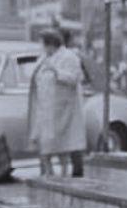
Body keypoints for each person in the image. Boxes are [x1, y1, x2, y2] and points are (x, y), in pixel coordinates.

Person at [27, 29, 86, 177]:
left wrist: (56, 71)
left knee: (63, 144)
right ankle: (48, 172)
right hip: (46, 109)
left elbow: (75, 78)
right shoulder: (44, 58)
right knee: (45, 143)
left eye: (43, 44)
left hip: (63, 109)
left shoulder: (69, 57)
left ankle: (65, 173)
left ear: (51, 44)